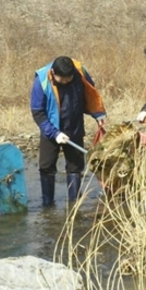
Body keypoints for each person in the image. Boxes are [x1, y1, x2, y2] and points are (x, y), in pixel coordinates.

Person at [30, 56, 107, 207]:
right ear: (53, 73)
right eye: (62, 80)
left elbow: (89, 94)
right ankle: (48, 204)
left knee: (75, 166)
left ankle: (74, 203)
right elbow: (37, 112)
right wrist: (54, 133)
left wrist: (98, 114)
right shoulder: (41, 81)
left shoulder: (79, 72)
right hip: (51, 129)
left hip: (74, 126)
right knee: (46, 167)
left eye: (68, 79)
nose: (65, 82)